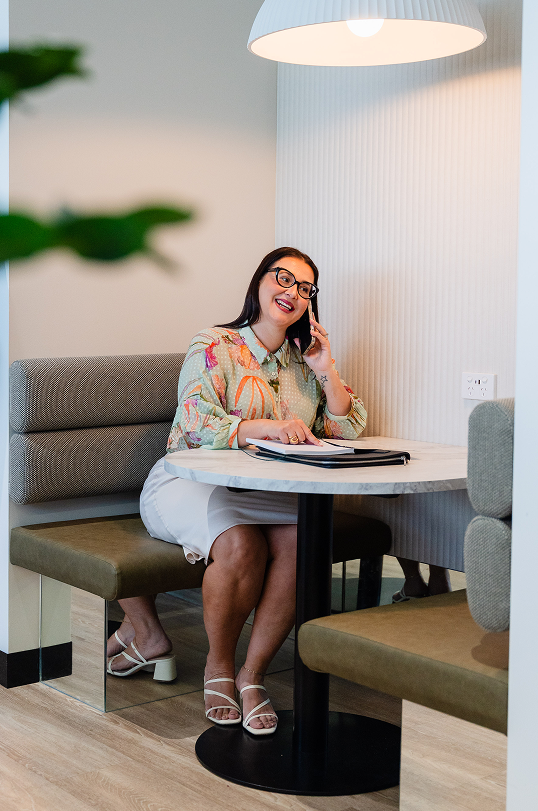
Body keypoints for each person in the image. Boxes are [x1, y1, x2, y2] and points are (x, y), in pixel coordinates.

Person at [106, 247, 367, 734]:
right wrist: (266, 427)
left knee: (301, 540)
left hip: (258, 489)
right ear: (260, 283)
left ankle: (253, 675)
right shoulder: (215, 344)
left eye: (304, 288)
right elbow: (194, 421)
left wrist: (326, 369)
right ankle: (219, 668)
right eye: (283, 279)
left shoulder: (302, 361)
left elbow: (348, 429)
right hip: (188, 482)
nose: (291, 292)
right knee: (241, 541)